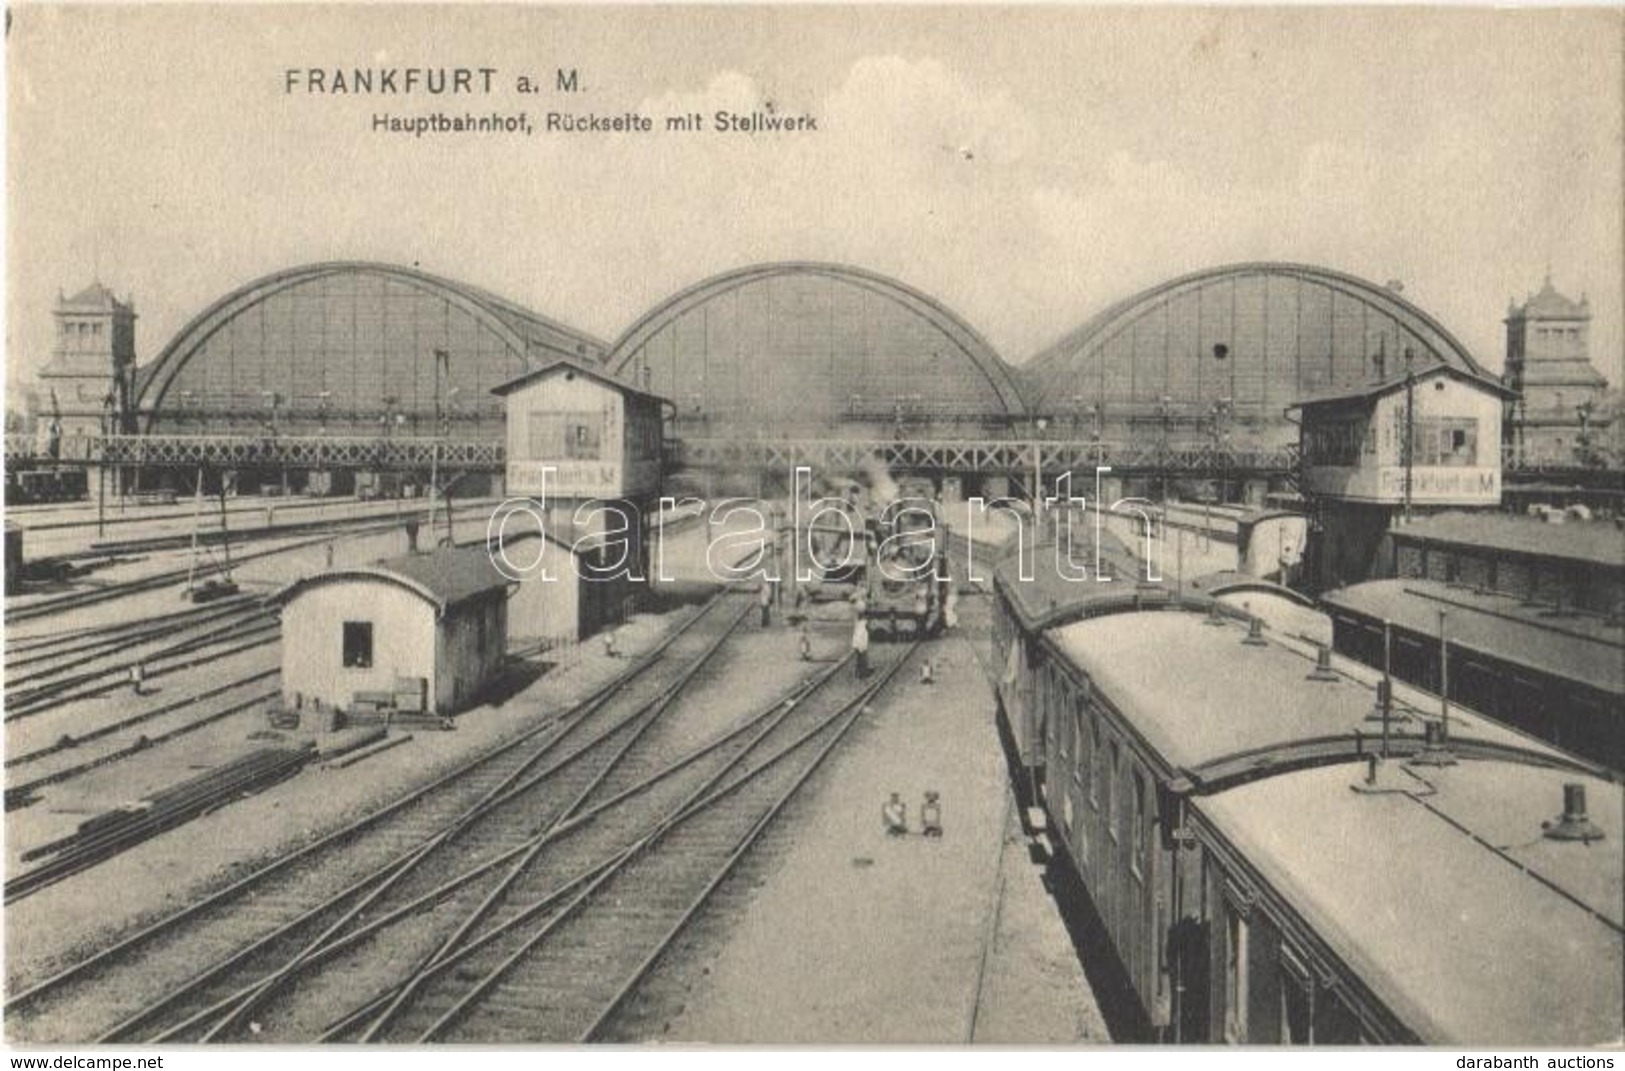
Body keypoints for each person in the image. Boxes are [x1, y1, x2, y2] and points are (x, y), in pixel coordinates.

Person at [851, 614, 870, 678]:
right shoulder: (862, 628)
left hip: (858, 645)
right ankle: (861, 674)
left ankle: (858, 673)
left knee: (859, 660)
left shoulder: (858, 625)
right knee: (862, 660)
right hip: (861, 647)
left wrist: (855, 646)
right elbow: (861, 638)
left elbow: (856, 636)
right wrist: (861, 648)